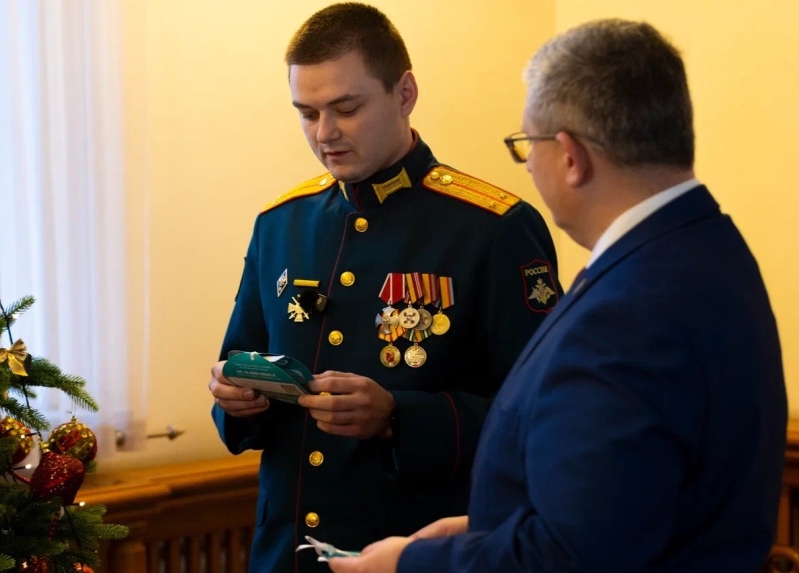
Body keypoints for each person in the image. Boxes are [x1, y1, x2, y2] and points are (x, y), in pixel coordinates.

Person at [328, 18, 787, 573]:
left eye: (526, 145)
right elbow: (626, 499)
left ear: (570, 157)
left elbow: (572, 556)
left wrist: (412, 563)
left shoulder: (628, 312)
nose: (528, 164)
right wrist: (485, 526)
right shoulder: (704, 247)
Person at [207, 3, 560, 572]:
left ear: (405, 93)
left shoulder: (494, 228)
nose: (325, 133)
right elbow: (238, 370)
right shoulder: (281, 224)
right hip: (287, 554)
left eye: (347, 108)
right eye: (307, 113)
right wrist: (237, 398)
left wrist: (398, 416)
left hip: (416, 553)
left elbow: (543, 419)